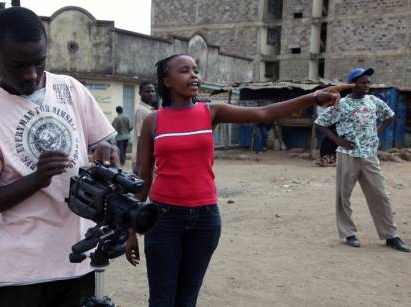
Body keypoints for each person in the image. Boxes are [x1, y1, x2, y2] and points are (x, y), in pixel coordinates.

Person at [124, 54, 353, 307]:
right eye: (184, 70)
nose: (194, 76)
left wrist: (312, 97)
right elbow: (142, 179)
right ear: (167, 81)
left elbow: (264, 113)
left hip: (205, 220)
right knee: (161, 300)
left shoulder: (210, 112)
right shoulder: (153, 121)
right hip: (164, 219)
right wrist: (131, 230)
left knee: (187, 300)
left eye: (196, 70)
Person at [0, 7, 119, 307]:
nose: (31, 75)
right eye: (18, 65)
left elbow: (105, 141)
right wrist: (36, 180)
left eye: (39, 63)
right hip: (24, 274)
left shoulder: (70, 89)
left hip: (80, 261)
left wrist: (109, 149)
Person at [315, 67, 410, 252]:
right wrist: (337, 140)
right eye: (364, 82)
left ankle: (391, 235)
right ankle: (348, 233)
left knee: (380, 195)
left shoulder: (374, 101)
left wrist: (377, 132)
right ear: (353, 84)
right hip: (347, 155)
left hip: (369, 155)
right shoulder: (341, 104)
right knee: (343, 196)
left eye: (369, 82)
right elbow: (320, 123)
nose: (368, 85)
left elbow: (389, 116)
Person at [132, 80, 156, 174]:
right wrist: (139, 164)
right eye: (147, 91)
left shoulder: (149, 110)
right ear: (140, 93)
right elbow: (141, 137)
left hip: (148, 159)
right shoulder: (142, 111)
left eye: (152, 91)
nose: (150, 94)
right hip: (143, 161)